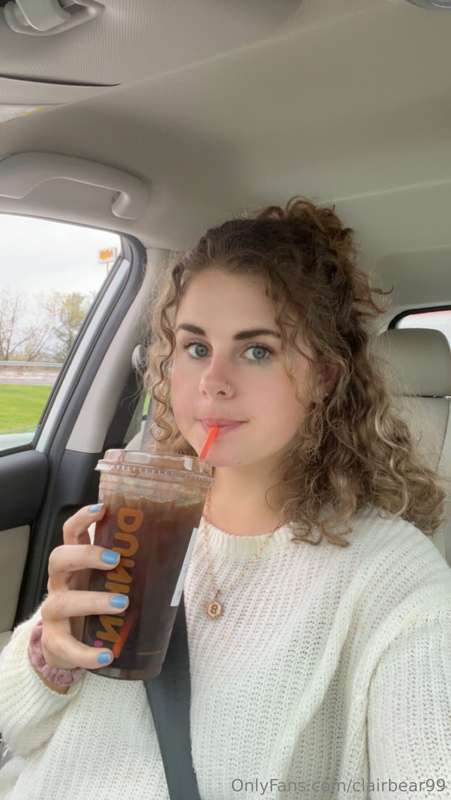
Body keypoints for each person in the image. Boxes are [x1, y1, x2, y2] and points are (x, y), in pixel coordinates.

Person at [0, 196, 450, 800]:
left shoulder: (394, 579)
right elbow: (16, 732)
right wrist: (50, 655)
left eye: (257, 350)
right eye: (195, 347)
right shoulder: (136, 513)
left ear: (324, 376)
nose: (213, 381)